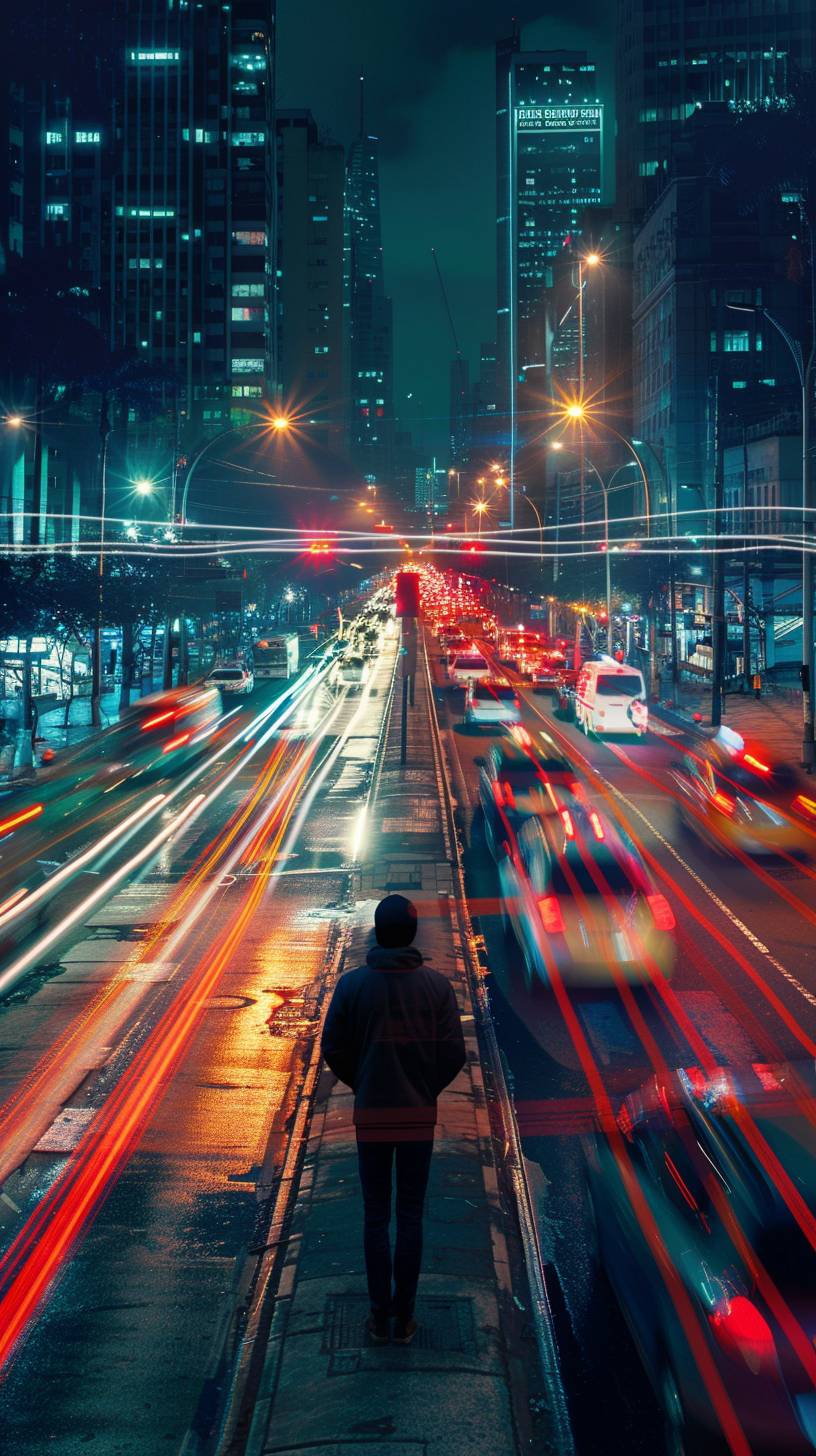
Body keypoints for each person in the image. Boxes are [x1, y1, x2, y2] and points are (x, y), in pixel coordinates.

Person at [321, 893, 466, 1346]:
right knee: (411, 1215)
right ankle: (405, 1317)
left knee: (375, 1217)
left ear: (378, 933)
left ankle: (378, 1314)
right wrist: (424, 1090)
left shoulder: (352, 987)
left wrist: (363, 1084)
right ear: (412, 934)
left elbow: (334, 1049)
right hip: (418, 1117)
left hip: (373, 1117)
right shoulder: (437, 989)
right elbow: (454, 1055)